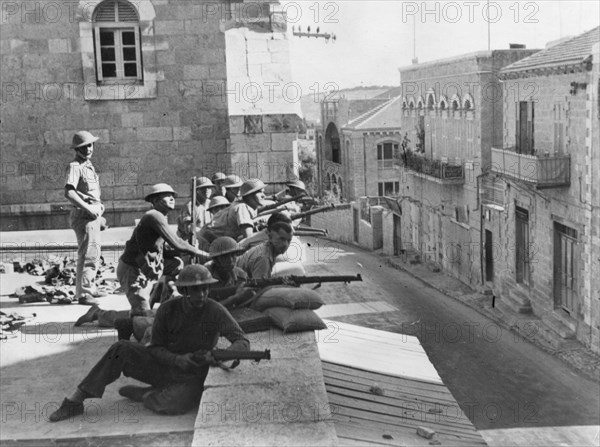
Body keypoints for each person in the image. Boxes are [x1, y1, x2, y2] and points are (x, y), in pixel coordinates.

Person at [48, 264, 250, 421]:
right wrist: (177, 359)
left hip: (192, 373)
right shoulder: (168, 309)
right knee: (121, 349)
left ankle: (146, 395)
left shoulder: (214, 310)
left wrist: (220, 354)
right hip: (164, 366)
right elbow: (154, 348)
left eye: (205, 289)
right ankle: (75, 400)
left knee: (173, 405)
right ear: (185, 291)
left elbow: (241, 340)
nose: (202, 295)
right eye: (196, 290)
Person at [117, 183, 209, 316]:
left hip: (145, 269)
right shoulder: (153, 216)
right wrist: (202, 253)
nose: (172, 199)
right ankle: (99, 314)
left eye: (173, 196)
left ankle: (164, 294)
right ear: (155, 201)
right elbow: (177, 243)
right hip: (133, 271)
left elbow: (166, 250)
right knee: (142, 314)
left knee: (177, 263)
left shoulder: (161, 217)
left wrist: (187, 248)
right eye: (167, 196)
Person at [64, 131, 106, 305]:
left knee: (93, 253)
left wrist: (98, 209)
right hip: (84, 216)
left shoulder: (88, 165)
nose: (88, 149)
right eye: (84, 146)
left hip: (92, 215)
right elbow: (69, 192)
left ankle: (89, 287)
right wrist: (89, 208)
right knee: (88, 254)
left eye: (90, 145)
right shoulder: (75, 166)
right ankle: (84, 293)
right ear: (77, 149)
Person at [199, 179, 266, 243]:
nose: (264, 195)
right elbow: (249, 239)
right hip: (208, 240)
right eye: (260, 192)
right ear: (249, 195)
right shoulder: (242, 208)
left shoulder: (242, 205)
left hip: (217, 238)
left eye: (263, 192)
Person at [236, 212, 294, 279]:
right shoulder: (264, 259)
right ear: (270, 237)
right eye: (281, 239)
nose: (285, 244)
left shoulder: (268, 247)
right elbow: (258, 286)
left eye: (289, 240)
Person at [204, 236, 255, 308]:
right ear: (215, 259)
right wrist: (235, 298)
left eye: (233, 255)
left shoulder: (241, 275)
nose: (230, 260)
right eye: (225, 256)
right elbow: (205, 309)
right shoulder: (205, 276)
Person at [176, 176, 214, 243]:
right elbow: (188, 229)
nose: (207, 190)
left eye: (209, 188)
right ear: (197, 190)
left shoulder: (211, 203)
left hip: (206, 240)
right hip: (188, 241)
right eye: (203, 188)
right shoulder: (190, 206)